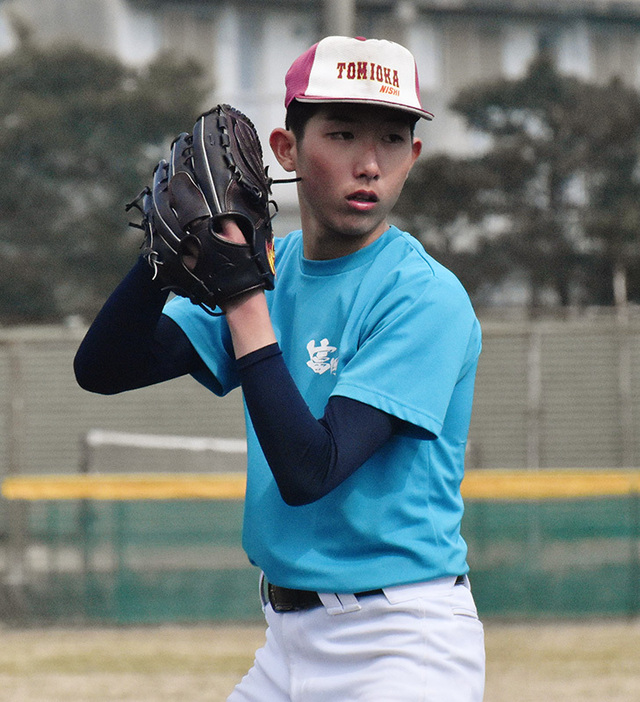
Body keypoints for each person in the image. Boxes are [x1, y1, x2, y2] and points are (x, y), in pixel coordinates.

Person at [74, 35, 485, 702]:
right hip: (284, 643)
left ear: (414, 155)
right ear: (287, 149)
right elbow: (106, 367)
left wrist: (240, 294)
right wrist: (161, 254)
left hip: (402, 646)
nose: (368, 162)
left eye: (390, 139)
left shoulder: (423, 297)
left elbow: (310, 470)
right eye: (344, 133)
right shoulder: (274, 273)